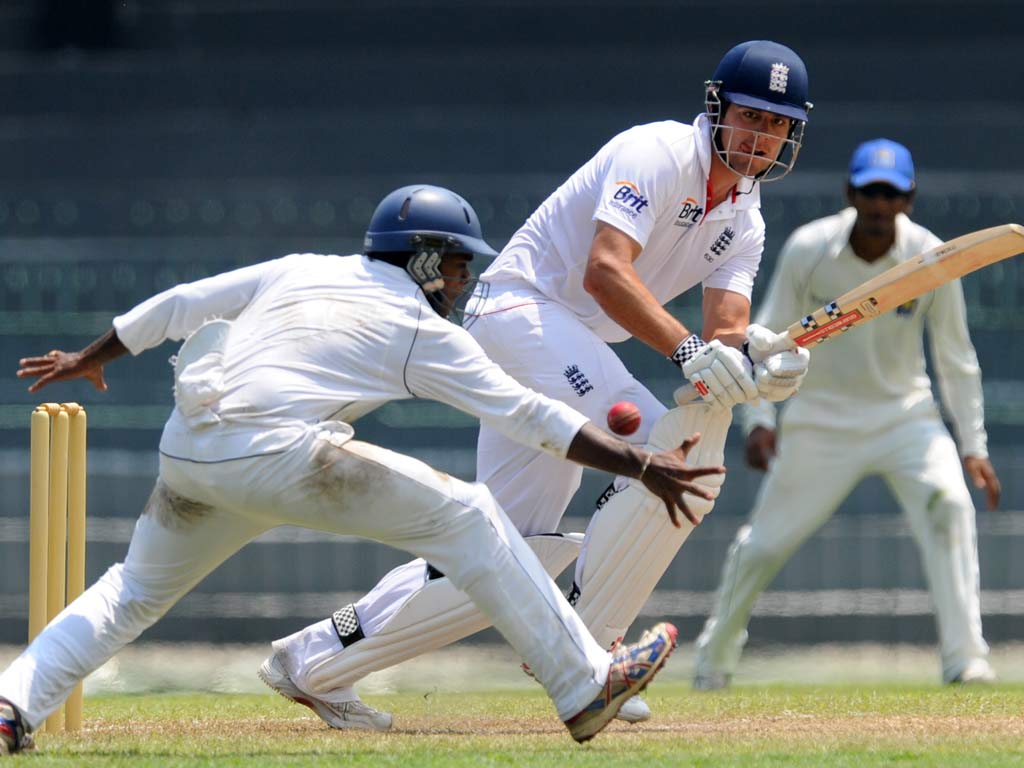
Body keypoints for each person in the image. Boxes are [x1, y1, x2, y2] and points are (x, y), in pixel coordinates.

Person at [0, 185, 721, 755]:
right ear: (426, 259)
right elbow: (526, 415)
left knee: (129, 591)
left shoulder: (302, 268)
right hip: (279, 452)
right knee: (470, 514)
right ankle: (584, 685)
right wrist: (640, 461)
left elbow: (184, 305)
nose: (465, 281)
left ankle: (11, 705)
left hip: (190, 447)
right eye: (460, 263)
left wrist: (91, 355)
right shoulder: (416, 327)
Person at [266, 40, 813, 728]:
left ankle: (310, 663)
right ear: (717, 108)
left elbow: (726, 330)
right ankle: (590, 652)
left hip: (563, 343)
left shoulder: (747, 218)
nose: (760, 138)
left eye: (775, 125)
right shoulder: (659, 153)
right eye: (749, 117)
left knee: (502, 546)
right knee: (675, 459)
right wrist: (693, 353)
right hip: (521, 313)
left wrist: (762, 361)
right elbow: (606, 272)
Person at [692, 139, 1002, 689]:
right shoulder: (810, 249)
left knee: (950, 506)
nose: (880, 204)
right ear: (850, 193)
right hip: (820, 420)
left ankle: (965, 659)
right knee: (763, 544)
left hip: (907, 417)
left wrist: (973, 446)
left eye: (891, 194)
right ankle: (713, 661)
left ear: (908, 199)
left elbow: (956, 357)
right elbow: (767, 336)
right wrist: (759, 421)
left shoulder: (931, 257)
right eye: (870, 192)